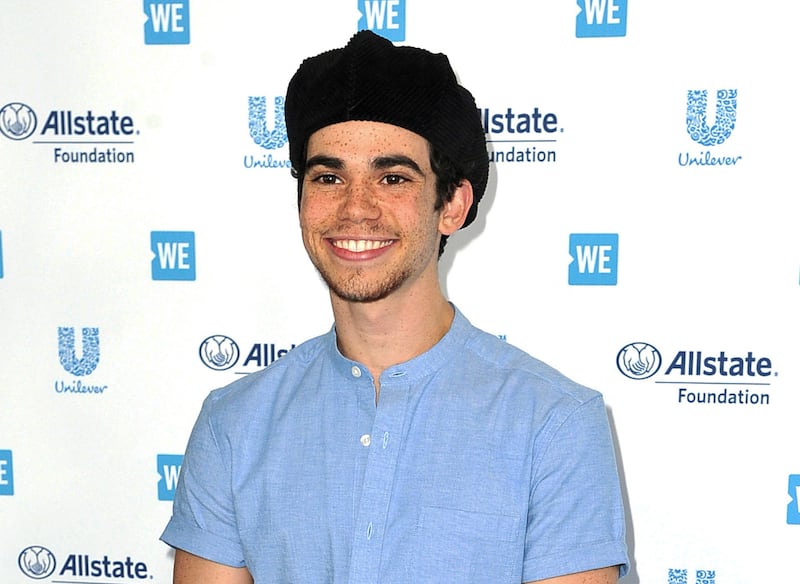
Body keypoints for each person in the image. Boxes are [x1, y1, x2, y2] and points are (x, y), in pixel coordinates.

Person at [160, 30, 630, 584]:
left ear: (453, 204)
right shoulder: (234, 424)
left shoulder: (554, 425)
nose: (356, 208)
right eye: (329, 177)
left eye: (393, 178)